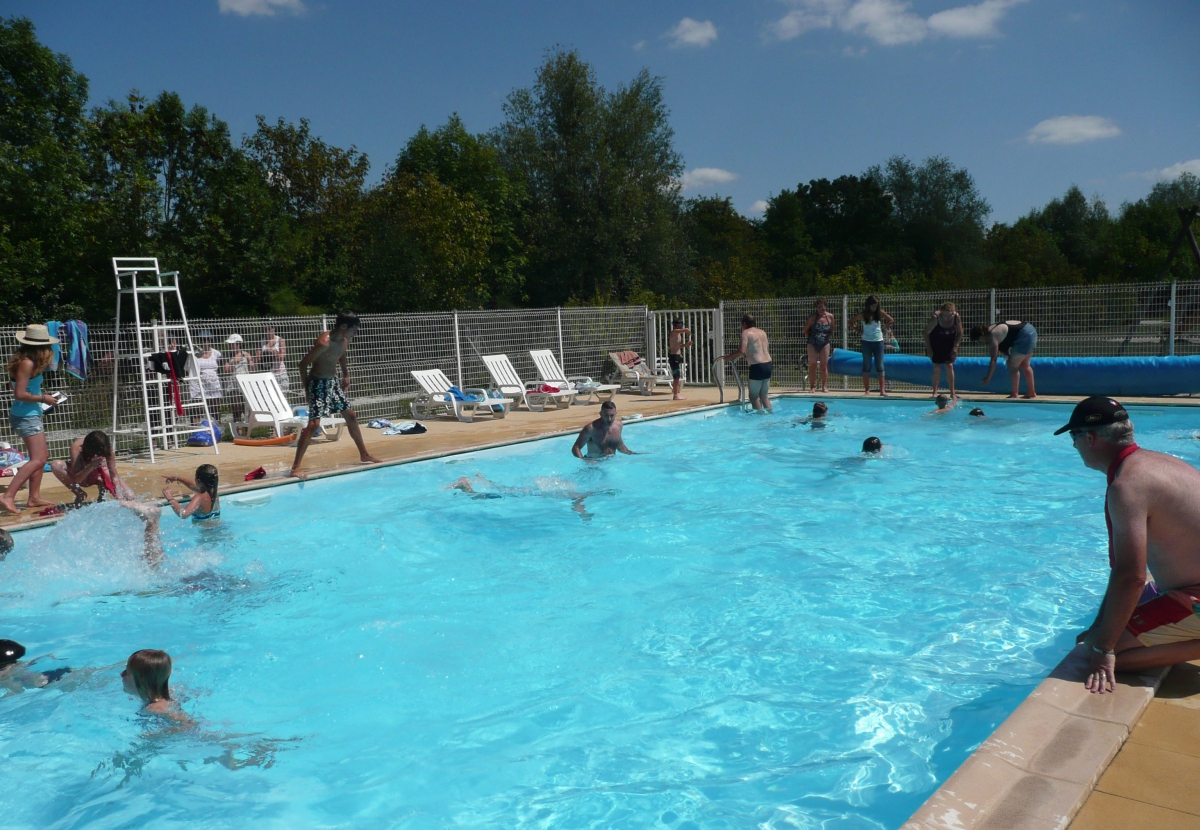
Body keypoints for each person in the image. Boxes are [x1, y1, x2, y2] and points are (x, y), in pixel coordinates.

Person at [1056, 396, 1200, 694]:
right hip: (1184, 586)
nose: (1073, 446)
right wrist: (1099, 627)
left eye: (1074, 436)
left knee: (1092, 653)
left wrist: (1104, 649)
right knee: (1096, 634)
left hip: (1195, 596)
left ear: (1091, 438)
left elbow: (1131, 576)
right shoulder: (1164, 463)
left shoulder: (1127, 486)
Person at [290, 312, 380, 479]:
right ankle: (295, 467)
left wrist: (346, 375)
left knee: (351, 416)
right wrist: (307, 390)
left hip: (332, 381)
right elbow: (303, 364)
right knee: (314, 425)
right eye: (354, 329)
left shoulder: (345, 340)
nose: (356, 333)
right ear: (344, 327)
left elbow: (341, 355)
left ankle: (364, 454)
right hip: (317, 383)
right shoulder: (323, 343)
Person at [1, 325, 61, 514]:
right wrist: (44, 398)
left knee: (41, 458)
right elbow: (19, 394)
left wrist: (40, 396)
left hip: (29, 414)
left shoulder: (27, 362)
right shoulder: (27, 363)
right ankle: (8, 495)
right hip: (25, 417)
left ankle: (34, 497)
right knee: (39, 458)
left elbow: (17, 388)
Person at [50, 430, 133, 505]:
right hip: (84, 476)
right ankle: (80, 494)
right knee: (56, 465)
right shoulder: (77, 448)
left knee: (130, 496)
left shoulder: (107, 448)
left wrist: (119, 495)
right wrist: (91, 466)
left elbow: (114, 474)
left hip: (100, 474)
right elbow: (77, 479)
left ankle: (102, 493)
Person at [722, 313, 773, 413]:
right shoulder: (762, 332)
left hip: (757, 366)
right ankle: (771, 416)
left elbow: (741, 350)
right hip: (768, 363)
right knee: (764, 397)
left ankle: (760, 419)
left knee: (753, 398)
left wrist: (729, 357)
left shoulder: (746, 332)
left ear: (744, 323)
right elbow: (762, 349)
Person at [972, 320, 1037, 398]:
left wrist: (988, 377)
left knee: (1012, 366)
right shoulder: (993, 328)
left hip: (1024, 335)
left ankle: (1014, 394)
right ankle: (1031, 392)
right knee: (1025, 365)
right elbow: (1005, 344)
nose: (980, 342)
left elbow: (994, 359)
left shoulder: (993, 335)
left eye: (979, 340)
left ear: (981, 335)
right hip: (1031, 330)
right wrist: (1007, 355)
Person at [856, 296, 894, 396]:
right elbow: (850, 322)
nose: (874, 307)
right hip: (866, 342)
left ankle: (882, 390)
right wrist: (859, 331)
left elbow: (891, 320)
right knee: (866, 365)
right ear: (868, 305)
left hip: (878, 342)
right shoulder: (863, 314)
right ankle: (867, 390)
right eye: (873, 305)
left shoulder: (880, 312)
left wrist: (884, 327)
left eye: (876, 305)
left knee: (880, 365)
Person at [925, 302, 963, 401]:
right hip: (936, 344)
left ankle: (952, 392)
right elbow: (926, 332)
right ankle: (934, 392)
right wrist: (929, 349)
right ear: (941, 312)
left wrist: (956, 346)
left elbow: (960, 332)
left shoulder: (956, 316)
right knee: (937, 367)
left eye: (950, 314)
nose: (947, 317)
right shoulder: (935, 318)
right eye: (945, 314)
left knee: (950, 366)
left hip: (949, 344)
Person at [121, 649, 175, 714]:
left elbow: (187, 723)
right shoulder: (165, 693)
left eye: (127, 672)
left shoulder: (156, 709)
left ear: (142, 679)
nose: (121, 674)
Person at [804, 299, 835, 393]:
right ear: (816, 308)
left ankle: (824, 386)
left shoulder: (830, 317)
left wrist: (824, 338)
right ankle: (812, 387)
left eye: (822, 306)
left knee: (824, 365)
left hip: (825, 343)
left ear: (825, 306)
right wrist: (811, 338)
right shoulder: (812, 318)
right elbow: (805, 330)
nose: (821, 308)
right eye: (819, 307)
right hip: (812, 343)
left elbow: (832, 329)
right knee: (813, 365)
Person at [222, 334, 254, 421]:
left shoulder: (246, 354)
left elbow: (253, 369)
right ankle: (238, 431)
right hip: (233, 385)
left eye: (233, 344)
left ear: (239, 344)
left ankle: (248, 431)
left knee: (247, 409)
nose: (231, 346)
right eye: (230, 344)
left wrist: (252, 363)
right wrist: (234, 362)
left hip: (245, 385)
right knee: (236, 408)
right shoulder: (227, 356)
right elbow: (226, 371)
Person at [188, 339, 223, 412]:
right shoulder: (196, 354)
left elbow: (220, 368)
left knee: (215, 408)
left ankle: (215, 422)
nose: (205, 343)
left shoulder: (217, 353)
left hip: (214, 385)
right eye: (203, 341)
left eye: (207, 340)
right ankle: (196, 423)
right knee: (197, 409)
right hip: (199, 385)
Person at [258, 324, 288, 393]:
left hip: (280, 372)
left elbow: (282, 356)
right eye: (266, 328)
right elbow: (258, 357)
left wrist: (270, 355)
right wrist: (269, 352)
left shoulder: (280, 340)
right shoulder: (262, 341)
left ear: (273, 329)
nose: (267, 330)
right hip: (268, 373)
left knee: (283, 397)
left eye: (269, 328)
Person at [667, 319, 692, 400]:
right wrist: (687, 331)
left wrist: (686, 344)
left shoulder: (678, 334)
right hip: (674, 357)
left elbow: (678, 346)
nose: (681, 327)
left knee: (677, 376)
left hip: (676, 356)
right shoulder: (674, 332)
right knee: (676, 377)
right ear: (677, 325)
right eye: (680, 325)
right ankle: (675, 395)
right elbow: (687, 330)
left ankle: (676, 394)